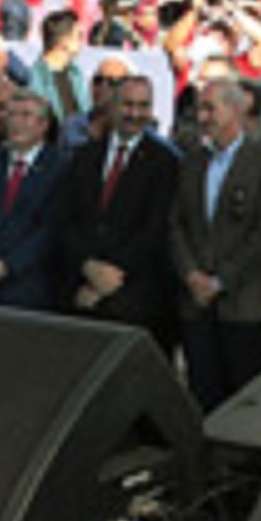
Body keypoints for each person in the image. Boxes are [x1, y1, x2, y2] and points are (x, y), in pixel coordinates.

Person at [168, 71, 261, 407]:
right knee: (203, 394)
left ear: (235, 111)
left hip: (245, 306)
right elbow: (177, 224)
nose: (202, 117)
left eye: (210, 108)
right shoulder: (192, 162)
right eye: (199, 109)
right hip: (197, 306)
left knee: (246, 401)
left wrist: (221, 280)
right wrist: (191, 274)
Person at [66, 68, 182, 344]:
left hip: (135, 298)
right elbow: (68, 220)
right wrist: (88, 267)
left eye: (143, 106)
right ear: (112, 107)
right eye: (128, 105)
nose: (134, 114)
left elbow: (154, 230)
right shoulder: (84, 157)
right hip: (81, 293)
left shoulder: (165, 164)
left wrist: (108, 278)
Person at [0, 83, 73, 309]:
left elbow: (49, 229)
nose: (17, 121)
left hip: (27, 289)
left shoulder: (61, 168)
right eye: (12, 114)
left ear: (43, 125)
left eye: (26, 115)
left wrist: (7, 266)